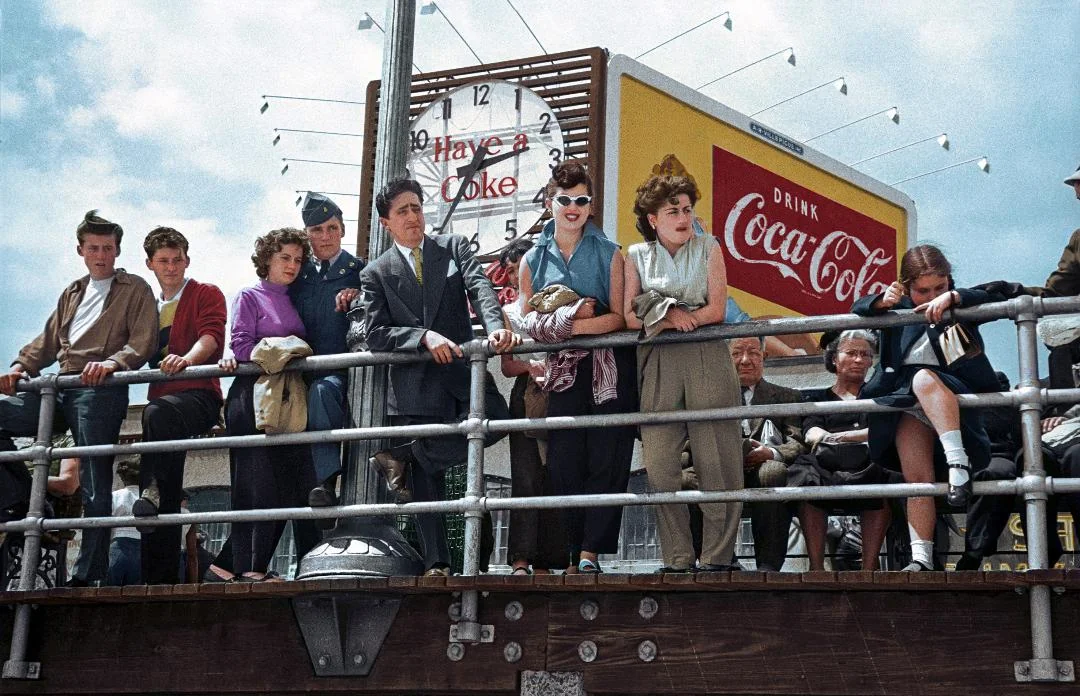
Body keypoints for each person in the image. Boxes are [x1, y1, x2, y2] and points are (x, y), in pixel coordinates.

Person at [361, 178, 518, 577]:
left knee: (494, 423)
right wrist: (422, 337)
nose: (413, 217)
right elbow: (376, 333)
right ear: (386, 222)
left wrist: (495, 325)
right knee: (426, 480)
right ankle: (437, 564)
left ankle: (403, 454)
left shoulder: (452, 247)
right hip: (414, 383)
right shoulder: (375, 273)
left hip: (459, 372)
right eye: (403, 211)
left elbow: (480, 285)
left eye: (416, 207)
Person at [0, 210, 157, 586]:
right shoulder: (72, 291)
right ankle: (21, 491)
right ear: (81, 250)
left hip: (100, 388)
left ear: (117, 251)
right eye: (93, 248)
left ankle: (88, 573)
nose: (101, 255)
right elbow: (47, 342)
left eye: (107, 248)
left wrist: (113, 362)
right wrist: (20, 367)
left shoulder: (135, 288)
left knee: (94, 479)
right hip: (61, 384)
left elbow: (143, 341)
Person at [517, 160, 638, 575]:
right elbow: (528, 323)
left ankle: (590, 555)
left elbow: (619, 319)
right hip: (563, 372)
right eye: (564, 199)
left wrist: (566, 325)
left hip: (609, 369)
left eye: (581, 200)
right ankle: (570, 551)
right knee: (565, 463)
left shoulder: (611, 254)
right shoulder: (531, 260)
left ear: (591, 206)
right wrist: (572, 323)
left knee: (607, 458)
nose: (572, 207)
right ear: (550, 202)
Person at [621, 173, 743, 573]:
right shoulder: (636, 255)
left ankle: (717, 558)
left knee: (717, 459)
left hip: (706, 353)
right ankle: (676, 558)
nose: (683, 217)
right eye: (672, 210)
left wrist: (667, 316)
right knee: (659, 464)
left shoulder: (709, 246)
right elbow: (627, 314)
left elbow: (717, 310)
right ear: (653, 218)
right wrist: (669, 316)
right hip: (658, 358)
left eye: (687, 209)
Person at [853, 244, 1001, 571]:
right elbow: (857, 307)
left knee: (922, 379)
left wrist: (956, 298)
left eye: (940, 287)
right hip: (908, 400)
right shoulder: (896, 309)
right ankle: (921, 557)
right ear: (906, 287)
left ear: (950, 281)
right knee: (916, 478)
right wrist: (881, 301)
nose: (932, 295)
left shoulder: (959, 302)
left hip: (952, 391)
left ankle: (957, 462)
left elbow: (1005, 292)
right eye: (923, 290)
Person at [214, 228, 321, 582]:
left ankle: (239, 566)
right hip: (252, 395)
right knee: (254, 483)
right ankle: (246, 569)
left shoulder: (296, 297)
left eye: (297, 259)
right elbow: (241, 348)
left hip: (288, 397)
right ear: (267, 260)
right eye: (284, 258)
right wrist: (288, 348)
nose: (292, 265)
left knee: (287, 486)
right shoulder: (249, 295)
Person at [132, 227, 226, 585]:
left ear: (187, 260)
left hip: (198, 396)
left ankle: (152, 488)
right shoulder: (147, 307)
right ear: (150, 264)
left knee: (155, 418)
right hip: (162, 407)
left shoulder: (205, 293)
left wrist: (186, 359)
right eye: (163, 261)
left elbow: (211, 336)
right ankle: (156, 580)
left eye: (177, 260)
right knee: (162, 494)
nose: (171, 267)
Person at [789, 330, 899, 571]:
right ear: (834, 359)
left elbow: (884, 431)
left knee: (887, 473)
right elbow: (811, 432)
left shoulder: (880, 397)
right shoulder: (818, 398)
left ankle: (868, 569)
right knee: (805, 475)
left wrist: (842, 437)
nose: (859, 360)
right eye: (851, 353)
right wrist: (832, 438)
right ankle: (817, 568)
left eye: (865, 355)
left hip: (869, 460)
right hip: (829, 462)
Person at [291, 193, 364, 512]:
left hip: (339, 373)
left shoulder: (358, 270)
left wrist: (359, 296)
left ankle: (326, 481)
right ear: (306, 235)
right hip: (297, 374)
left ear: (343, 230)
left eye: (332, 228)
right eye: (317, 230)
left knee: (322, 394)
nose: (325, 237)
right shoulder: (296, 274)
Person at [497, 239, 565, 575]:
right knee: (525, 476)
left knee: (556, 474)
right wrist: (530, 367)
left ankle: (549, 560)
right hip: (526, 393)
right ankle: (521, 558)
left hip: (561, 388)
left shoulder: (559, 303)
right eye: (510, 270)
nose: (515, 275)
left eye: (519, 266)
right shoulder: (507, 313)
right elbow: (507, 366)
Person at [729, 336, 806, 571]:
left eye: (753, 352)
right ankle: (720, 562)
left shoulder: (787, 397)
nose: (745, 360)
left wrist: (771, 453)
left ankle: (768, 565)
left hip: (763, 467)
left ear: (764, 357)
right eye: (737, 353)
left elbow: (798, 443)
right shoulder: (710, 398)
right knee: (690, 478)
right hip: (722, 467)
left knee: (774, 472)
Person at [107, 457, 142, 586]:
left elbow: (107, 525)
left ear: (122, 478)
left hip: (118, 545)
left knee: (110, 590)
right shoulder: (146, 499)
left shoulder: (114, 496)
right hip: (142, 548)